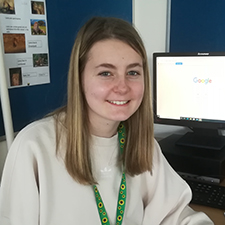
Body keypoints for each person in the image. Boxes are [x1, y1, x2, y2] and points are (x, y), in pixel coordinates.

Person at [0, 17, 213, 225]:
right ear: (80, 78)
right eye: (105, 73)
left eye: (132, 72)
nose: (122, 87)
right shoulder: (34, 146)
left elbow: (175, 213)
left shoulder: (143, 145)